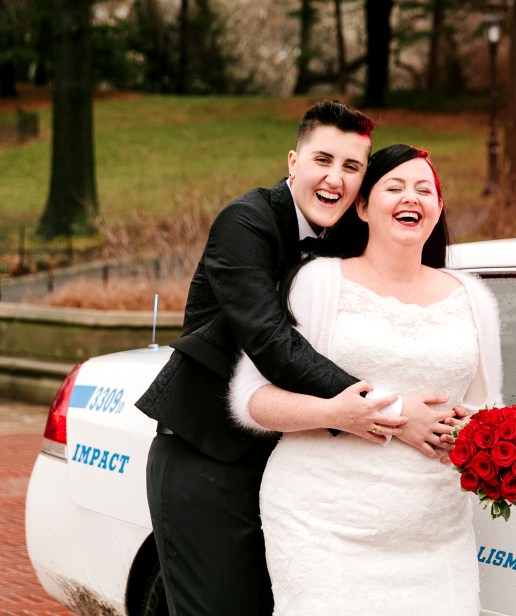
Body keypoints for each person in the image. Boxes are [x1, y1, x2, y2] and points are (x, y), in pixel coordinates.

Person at [136, 102, 457, 616]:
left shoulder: (346, 242)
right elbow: (270, 342)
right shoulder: (245, 223)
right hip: (208, 458)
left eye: (352, 168)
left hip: (292, 472)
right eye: (322, 160)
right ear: (292, 162)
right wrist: (395, 411)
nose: (335, 179)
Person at [228, 144, 503, 615]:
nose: (410, 197)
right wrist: (344, 413)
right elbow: (252, 396)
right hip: (323, 526)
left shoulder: (472, 297)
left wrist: (486, 437)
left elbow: (487, 407)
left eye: (425, 190)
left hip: (436, 534)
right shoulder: (320, 282)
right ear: (362, 206)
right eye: (393, 187)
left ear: (438, 208)